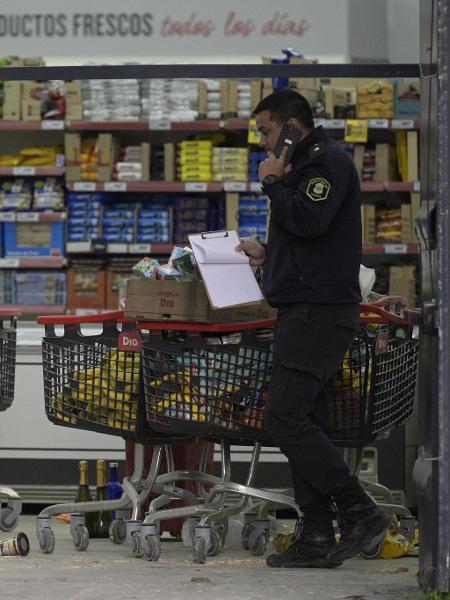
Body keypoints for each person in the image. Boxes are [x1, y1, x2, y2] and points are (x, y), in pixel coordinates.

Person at [236, 89, 390, 569]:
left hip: (318, 314)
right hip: (305, 309)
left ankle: (362, 511)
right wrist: (269, 254)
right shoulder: (305, 167)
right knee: (306, 420)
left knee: (285, 419)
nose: (262, 143)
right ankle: (317, 534)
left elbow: (308, 217)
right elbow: (307, 236)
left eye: (265, 131)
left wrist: (272, 185)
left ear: (292, 128)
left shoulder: (324, 163)